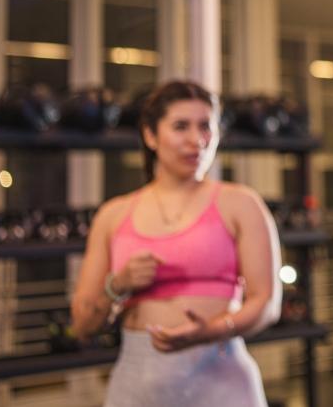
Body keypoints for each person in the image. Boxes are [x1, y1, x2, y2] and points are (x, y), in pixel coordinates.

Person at [70, 80, 282, 407]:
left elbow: (267, 303)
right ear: (150, 135)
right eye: (181, 126)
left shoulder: (241, 204)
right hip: (138, 381)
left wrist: (210, 331)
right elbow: (83, 326)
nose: (196, 140)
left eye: (205, 127)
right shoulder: (113, 215)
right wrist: (119, 284)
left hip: (220, 377)